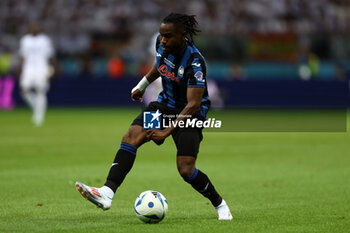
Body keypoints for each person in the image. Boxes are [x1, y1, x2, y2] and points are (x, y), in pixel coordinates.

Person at [75, 13, 232, 220]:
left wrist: (166, 131)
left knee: (186, 169)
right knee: (131, 136)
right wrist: (142, 85)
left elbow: (193, 104)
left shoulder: (194, 62)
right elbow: (160, 66)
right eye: (161, 35)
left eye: (168, 36)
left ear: (183, 35)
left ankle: (220, 204)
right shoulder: (162, 44)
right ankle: (107, 193)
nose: (163, 40)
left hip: (189, 115)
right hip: (164, 106)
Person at [19, 23, 54, 126]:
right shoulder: (25, 40)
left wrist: (51, 69)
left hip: (41, 67)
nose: (35, 28)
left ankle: (39, 116)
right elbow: (22, 55)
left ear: (39, 28)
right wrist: (20, 69)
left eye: (36, 26)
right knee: (24, 90)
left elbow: (49, 55)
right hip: (28, 68)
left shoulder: (44, 40)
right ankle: (37, 108)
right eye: (33, 27)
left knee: (41, 91)